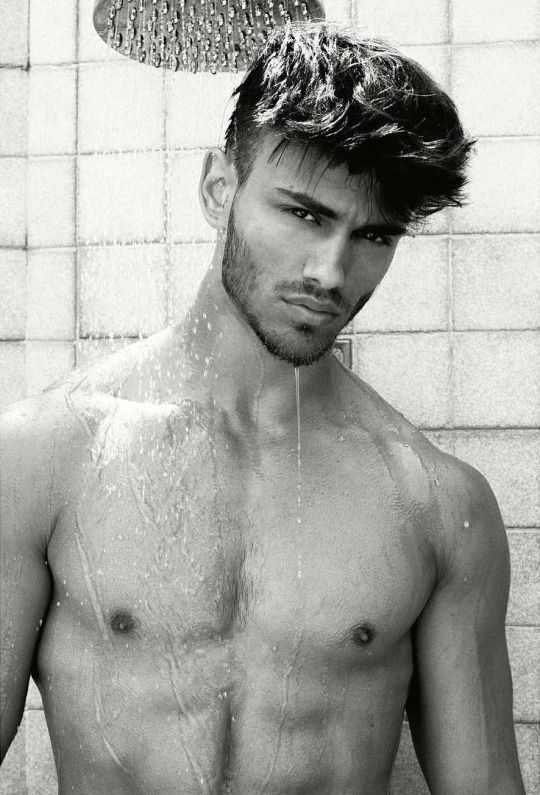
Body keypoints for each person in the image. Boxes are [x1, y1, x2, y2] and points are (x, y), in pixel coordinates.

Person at [0, 22, 525, 794]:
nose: (332, 271)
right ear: (220, 189)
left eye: (373, 234)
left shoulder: (439, 504)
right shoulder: (45, 456)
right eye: (305, 214)